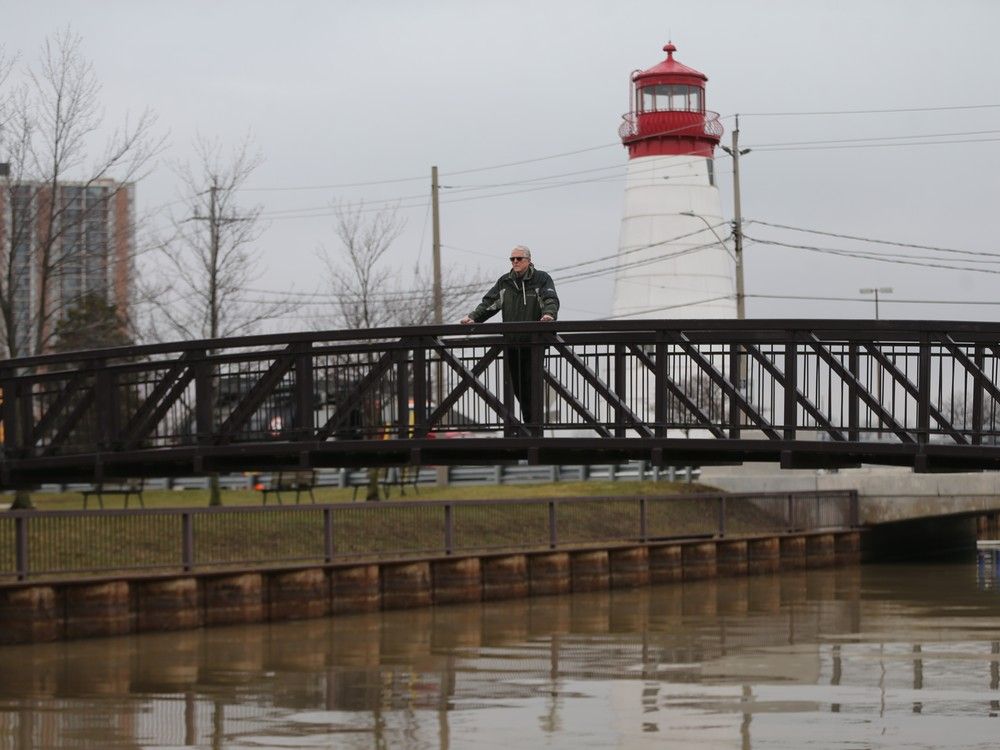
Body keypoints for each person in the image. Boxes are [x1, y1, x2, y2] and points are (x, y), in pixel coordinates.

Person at [461, 245, 559, 423]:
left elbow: (549, 299)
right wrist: (473, 317)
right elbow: (489, 303)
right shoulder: (505, 282)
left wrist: (549, 315)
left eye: (519, 259)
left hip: (534, 343)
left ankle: (533, 427)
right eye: (512, 259)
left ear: (528, 260)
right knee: (518, 388)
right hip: (512, 343)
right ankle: (530, 425)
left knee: (533, 385)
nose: (515, 262)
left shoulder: (541, 278)